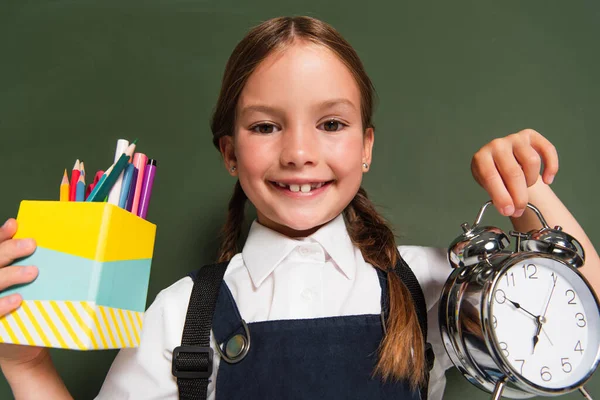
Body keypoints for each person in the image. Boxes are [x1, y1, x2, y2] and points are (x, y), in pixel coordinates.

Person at [0, 15, 598, 400]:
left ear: (366, 147)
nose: (300, 152)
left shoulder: (427, 284)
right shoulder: (182, 314)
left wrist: (525, 190)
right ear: (230, 154)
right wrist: (25, 365)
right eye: (266, 126)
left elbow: (586, 321)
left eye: (331, 123)